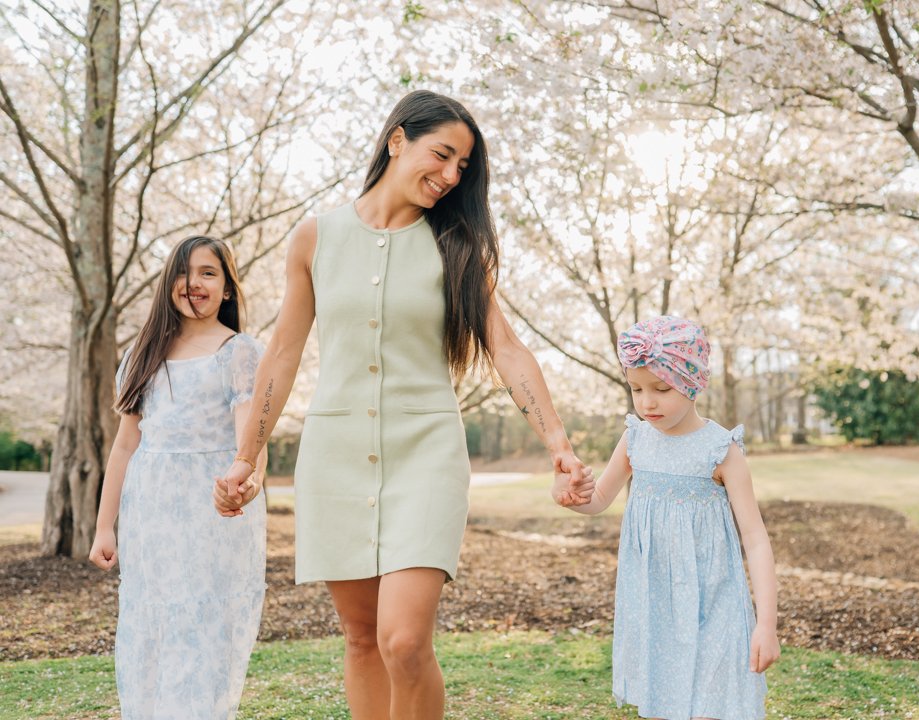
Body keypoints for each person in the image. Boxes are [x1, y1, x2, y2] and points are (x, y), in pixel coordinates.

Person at [216, 89, 592, 719]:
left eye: (462, 167)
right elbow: (282, 354)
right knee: (363, 639)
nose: (451, 176)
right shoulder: (314, 237)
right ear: (397, 140)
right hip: (335, 455)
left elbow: (505, 347)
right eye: (442, 155)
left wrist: (557, 442)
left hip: (427, 455)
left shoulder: (458, 247)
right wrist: (245, 458)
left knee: (404, 640)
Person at [556, 315, 779, 720]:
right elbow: (600, 497)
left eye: (661, 389)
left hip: (715, 603)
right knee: (661, 705)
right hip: (654, 604)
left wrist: (766, 623)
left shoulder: (721, 450)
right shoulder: (635, 439)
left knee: (711, 707)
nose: (647, 403)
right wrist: (573, 497)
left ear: (692, 383)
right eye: (636, 389)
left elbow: (756, 539)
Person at [89, 235, 267, 719]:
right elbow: (125, 445)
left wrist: (245, 485)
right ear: (169, 283)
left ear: (227, 289)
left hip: (211, 514)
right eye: (184, 272)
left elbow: (251, 440)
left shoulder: (239, 352)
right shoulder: (142, 354)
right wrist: (105, 526)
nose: (194, 283)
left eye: (209, 273)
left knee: (204, 627)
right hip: (151, 516)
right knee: (152, 625)